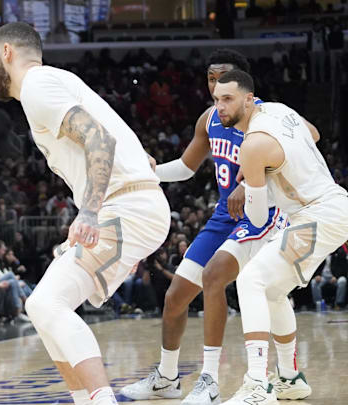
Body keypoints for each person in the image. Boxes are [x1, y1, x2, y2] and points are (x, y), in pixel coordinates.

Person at [0, 22, 170, 405]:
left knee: (49, 302)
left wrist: (89, 211)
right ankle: (84, 398)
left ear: (7, 53)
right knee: (40, 305)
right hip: (132, 204)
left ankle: (100, 401)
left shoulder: (37, 85)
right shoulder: (58, 82)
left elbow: (100, 138)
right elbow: (123, 143)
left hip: (124, 206)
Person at [121, 49, 314, 404]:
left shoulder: (266, 116)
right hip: (223, 216)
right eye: (211, 79)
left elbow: (310, 136)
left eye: (223, 79)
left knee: (217, 278)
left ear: (242, 85)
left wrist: (256, 176)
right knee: (175, 296)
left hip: (264, 213)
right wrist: (148, 172)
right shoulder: (209, 119)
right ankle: (166, 378)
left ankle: (210, 379)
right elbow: (185, 167)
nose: (215, 86)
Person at [212, 70, 348, 404]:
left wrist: (251, 180)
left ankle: (257, 384)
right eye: (216, 99)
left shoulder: (253, 144)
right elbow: (312, 133)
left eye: (227, 99)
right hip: (326, 208)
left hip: (317, 214)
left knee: (251, 280)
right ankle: (289, 378)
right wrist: (273, 164)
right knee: (272, 290)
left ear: (248, 99)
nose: (220, 107)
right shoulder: (280, 110)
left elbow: (258, 218)